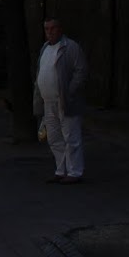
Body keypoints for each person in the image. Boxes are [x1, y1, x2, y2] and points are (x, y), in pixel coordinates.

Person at [32, 17, 89, 183]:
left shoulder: (70, 47)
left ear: (60, 29)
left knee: (71, 136)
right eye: (47, 29)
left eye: (53, 28)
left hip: (65, 100)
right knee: (54, 138)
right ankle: (61, 169)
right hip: (48, 101)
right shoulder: (45, 48)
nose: (49, 32)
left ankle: (74, 172)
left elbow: (81, 71)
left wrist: (70, 91)